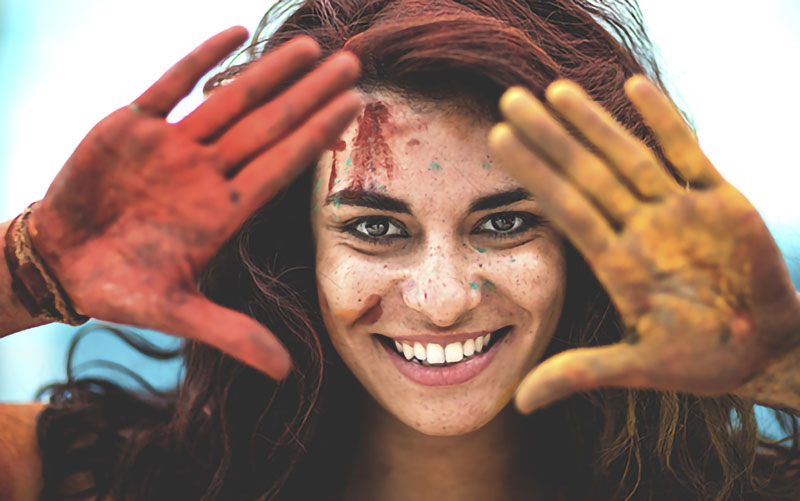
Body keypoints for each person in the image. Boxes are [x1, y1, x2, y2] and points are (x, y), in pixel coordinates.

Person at [1, 0, 799, 499]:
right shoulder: (93, 479)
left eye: (505, 223)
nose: (444, 297)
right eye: (376, 228)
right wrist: (27, 272)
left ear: (586, 245)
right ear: (295, 250)